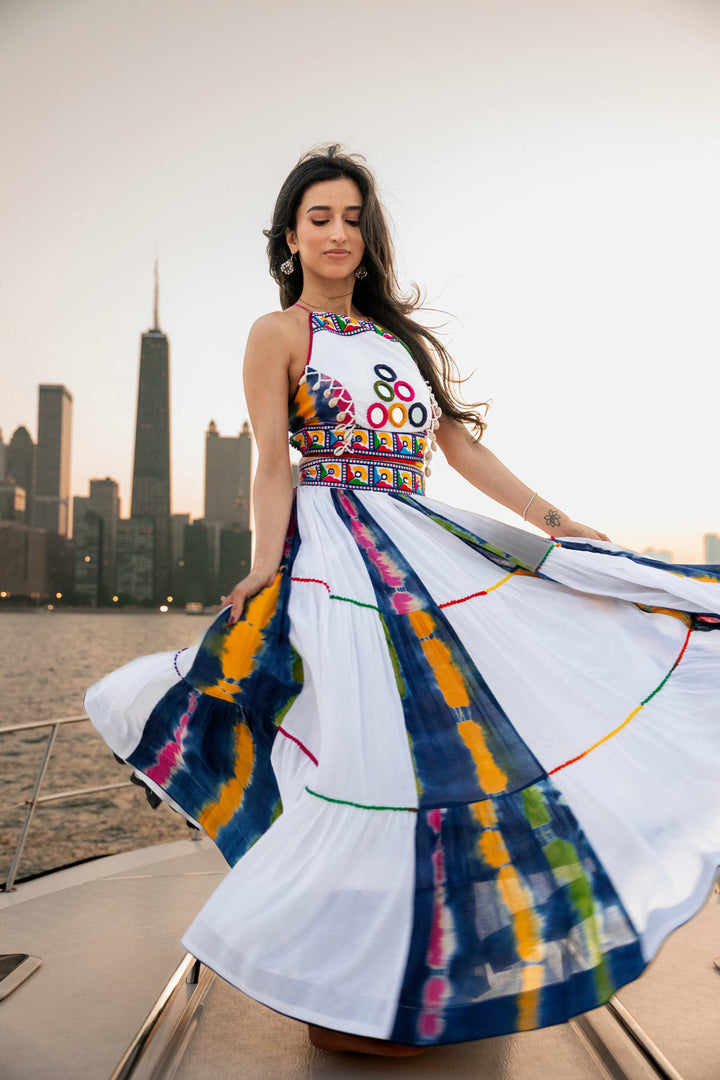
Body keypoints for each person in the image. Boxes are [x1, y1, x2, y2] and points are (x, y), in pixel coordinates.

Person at [85, 143, 720, 1058]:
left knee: (471, 740)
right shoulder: (280, 333)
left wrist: (561, 523)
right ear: (291, 238)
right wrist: (266, 564)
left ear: (369, 237)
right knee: (371, 763)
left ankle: (440, 971)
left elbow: (461, 453)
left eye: (352, 219)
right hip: (336, 553)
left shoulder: (401, 343)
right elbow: (274, 459)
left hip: (420, 540)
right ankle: (347, 996)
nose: (337, 233)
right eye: (319, 219)